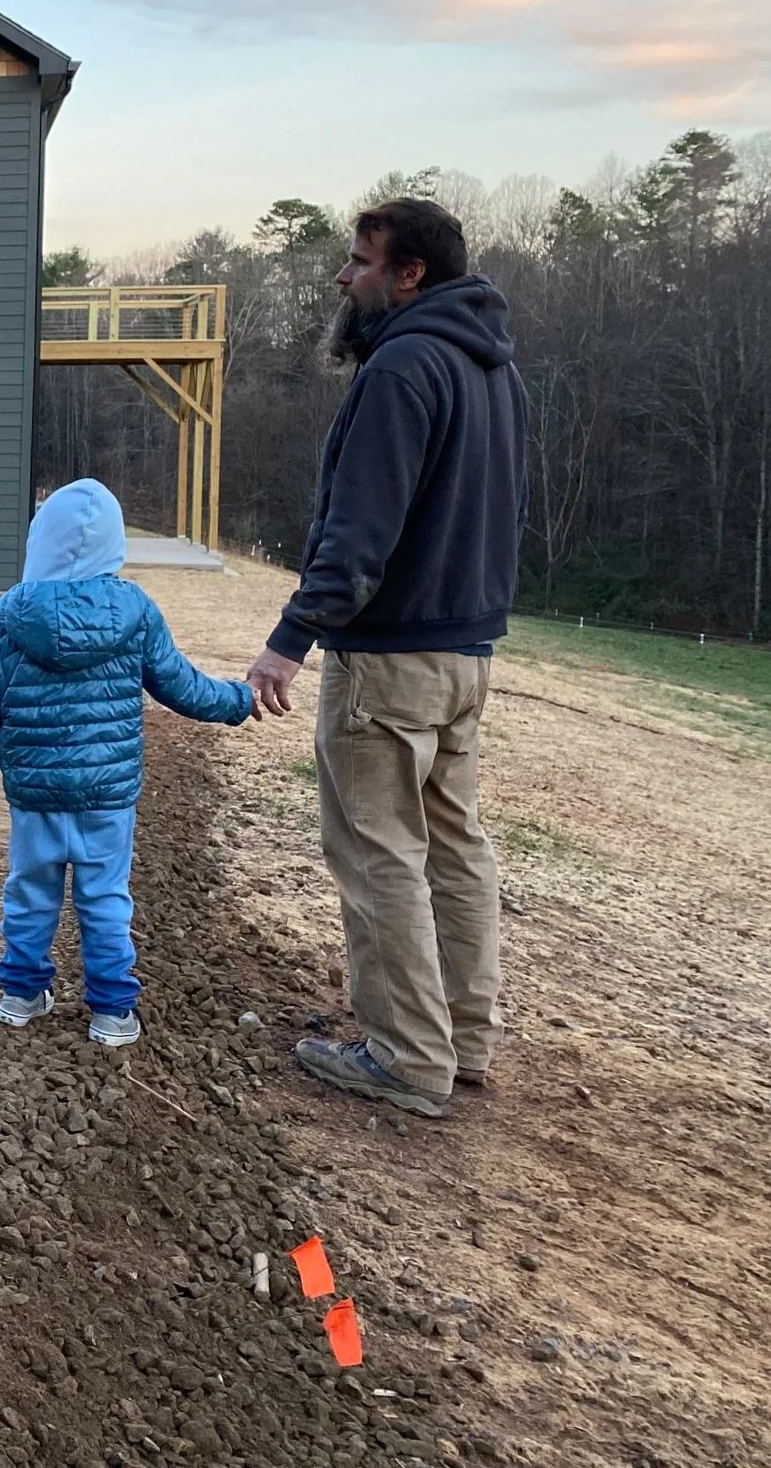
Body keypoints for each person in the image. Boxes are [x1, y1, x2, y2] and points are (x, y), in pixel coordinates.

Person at [244, 197, 528, 1120]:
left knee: (378, 856)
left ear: (408, 275)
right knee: (454, 848)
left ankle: (404, 1056)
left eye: (359, 261)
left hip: (389, 657)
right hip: (464, 653)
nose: (343, 276)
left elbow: (360, 526)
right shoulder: (491, 369)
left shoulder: (402, 367)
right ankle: (460, 1038)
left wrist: (293, 637)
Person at [0, 479, 257, 1045]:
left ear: (37, 543)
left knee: (29, 891)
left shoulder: (8, 628)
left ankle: (21, 995)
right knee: (105, 897)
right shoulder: (136, 615)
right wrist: (239, 700)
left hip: (37, 793)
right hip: (107, 795)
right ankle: (113, 1012)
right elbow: (181, 685)